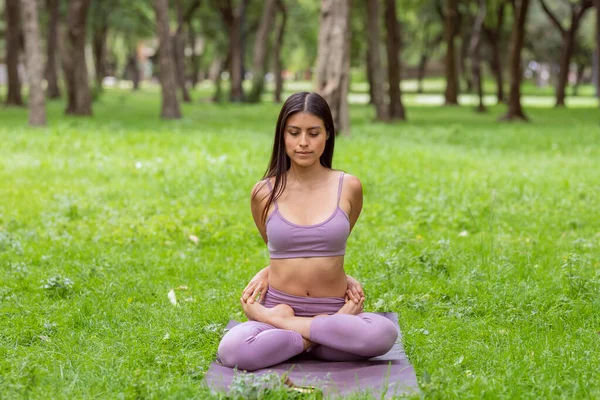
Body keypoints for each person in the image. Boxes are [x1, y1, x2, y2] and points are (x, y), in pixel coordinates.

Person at [217, 92, 398, 371]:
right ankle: (320, 340)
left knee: (383, 333)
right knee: (232, 350)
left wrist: (276, 320)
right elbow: (279, 250)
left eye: (313, 133)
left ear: (328, 134)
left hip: (333, 308)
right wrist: (269, 273)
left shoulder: (348, 186)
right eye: (294, 132)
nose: (303, 143)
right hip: (284, 303)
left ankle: (289, 332)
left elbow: (329, 246)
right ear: (282, 136)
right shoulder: (264, 192)